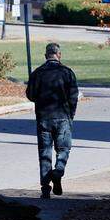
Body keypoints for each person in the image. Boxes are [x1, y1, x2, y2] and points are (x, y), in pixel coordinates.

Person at [26, 42, 80, 199]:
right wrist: (71, 114)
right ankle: (58, 171)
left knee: (45, 152)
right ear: (59, 55)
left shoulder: (37, 73)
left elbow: (30, 95)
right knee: (64, 149)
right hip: (63, 117)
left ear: (45, 56)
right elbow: (73, 96)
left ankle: (45, 187)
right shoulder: (67, 72)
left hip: (44, 118)